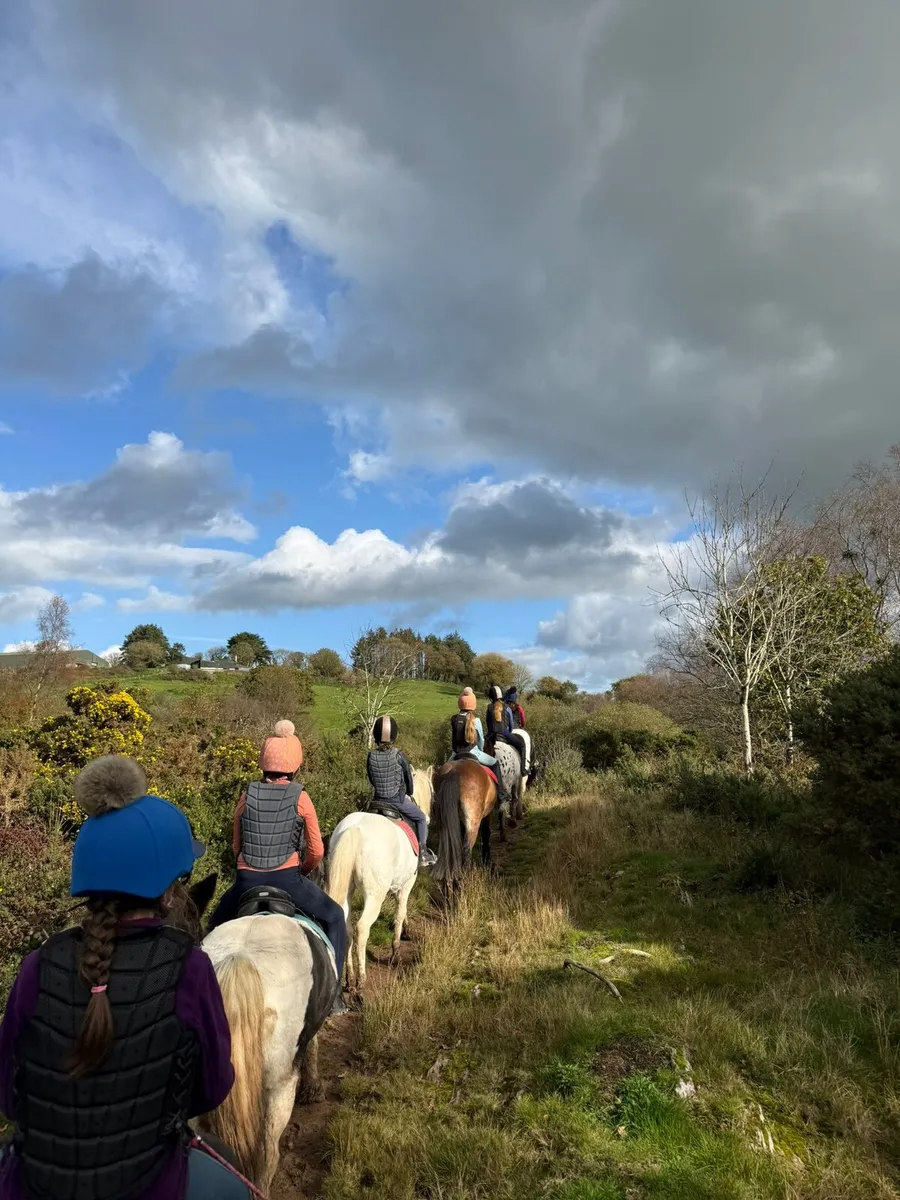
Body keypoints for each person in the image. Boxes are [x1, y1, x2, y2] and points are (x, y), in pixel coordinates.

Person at [0, 754, 251, 1200]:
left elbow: (9, 1095)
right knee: (234, 1190)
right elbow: (212, 1088)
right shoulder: (189, 968)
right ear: (170, 891)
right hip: (151, 1183)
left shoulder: (37, 966)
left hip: (32, 1183)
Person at [206, 720, 347, 1010]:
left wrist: (247, 868)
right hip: (287, 880)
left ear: (263, 763)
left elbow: (236, 846)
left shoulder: (246, 796)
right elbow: (317, 851)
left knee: (211, 926)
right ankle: (334, 997)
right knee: (334, 918)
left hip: (246, 881)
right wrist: (303, 871)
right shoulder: (301, 798)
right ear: (295, 766)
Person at [366, 716, 437, 868]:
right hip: (396, 801)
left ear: (376, 736)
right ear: (394, 736)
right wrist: (409, 792)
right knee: (421, 818)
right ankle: (423, 852)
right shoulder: (399, 755)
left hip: (376, 801)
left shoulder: (370, 756)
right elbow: (408, 781)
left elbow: (372, 779)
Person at [449, 688, 511, 806]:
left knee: (443, 771)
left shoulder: (454, 719)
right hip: (473, 752)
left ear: (460, 703)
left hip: (455, 753)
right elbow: (481, 740)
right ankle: (501, 793)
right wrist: (481, 750)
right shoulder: (476, 720)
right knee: (495, 763)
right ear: (473, 704)